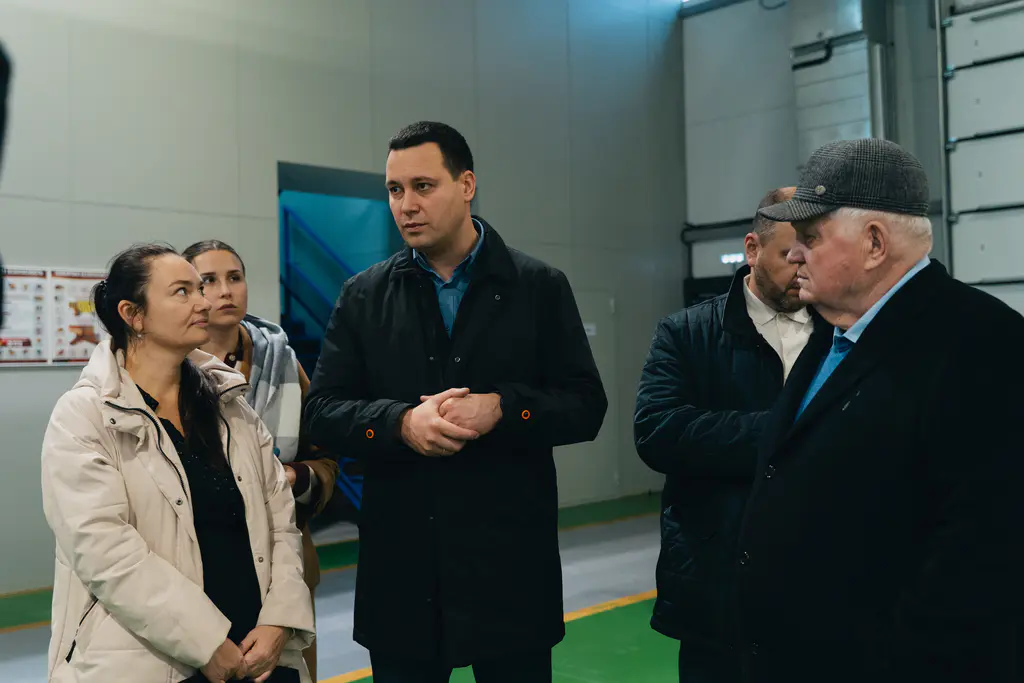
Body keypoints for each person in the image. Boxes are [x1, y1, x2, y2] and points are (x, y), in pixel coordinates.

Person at [303, 121, 608, 682]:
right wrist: (400, 423)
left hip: (509, 568)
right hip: (403, 573)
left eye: (423, 186)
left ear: (466, 185)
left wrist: (503, 407)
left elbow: (586, 405)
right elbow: (322, 411)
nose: (406, 205)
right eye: (395, 190)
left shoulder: (538, 287)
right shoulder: (363, 296)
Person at [735, 139, 1024, 682]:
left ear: (873, 243)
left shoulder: (984, 346)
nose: (794, 254)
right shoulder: (834, 335)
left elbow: (979, 561)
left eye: (810, 237)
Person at [40, 244, 315, 683]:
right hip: (151, 662)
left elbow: (280, 521)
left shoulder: (231, 406)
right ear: (133, 315)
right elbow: (105, 552)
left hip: (260, 656)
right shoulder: (84, 416)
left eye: (199, 289)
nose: (203, 302)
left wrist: (279, 621)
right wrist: (206, 642)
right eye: (183, 292)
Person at [634, 186, 818, 682]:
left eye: (811, 253)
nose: (802, 267)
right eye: (789, 254)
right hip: (717, 585)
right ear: (752, 250)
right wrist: (786, 432)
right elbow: (656, 430)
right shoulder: (686, 333)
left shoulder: (839, 332)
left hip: (817, 582)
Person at [181, 239, 340, 682]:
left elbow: (325, 459)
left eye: (234, 277)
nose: (224, 291)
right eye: (207, 281)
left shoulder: (283, 361)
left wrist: (294, 476)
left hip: (283, 567)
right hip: (199, 568)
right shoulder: (170, 368)